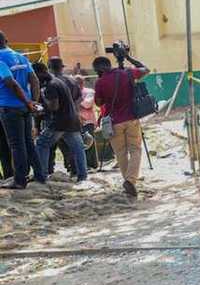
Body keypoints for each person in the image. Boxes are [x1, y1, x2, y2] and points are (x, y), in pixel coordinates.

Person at [93, 48, 150, 197]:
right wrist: (129, 58)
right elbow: (146, 69)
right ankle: (130, 181)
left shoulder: (100, 82)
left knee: (121, 153)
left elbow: (99, 103)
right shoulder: (127, 73)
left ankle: (128, 182)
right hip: (132, 118)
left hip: (113, 122)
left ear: (98, 69)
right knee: (136, 150)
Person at [0, 30, 45, 189]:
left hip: (9, 107)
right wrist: (33, 101)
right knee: (28, 143)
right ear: (6, 40)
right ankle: (40, 175)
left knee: (16, 145)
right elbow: (34, 80)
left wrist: (28, 101)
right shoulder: (21, 57)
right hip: (25, 108)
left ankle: (19, 180)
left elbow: (10, 82)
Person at [34, 64, 87, 184]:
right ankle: (82, 175)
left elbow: (54, 106)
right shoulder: (58, 81)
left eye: (35, 75)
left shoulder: (50, 86)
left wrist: (41, 107)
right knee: (78, 148)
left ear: (40, 73)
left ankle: (41, 175)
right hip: (72, 119)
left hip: (59, 122)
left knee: (41, 144)